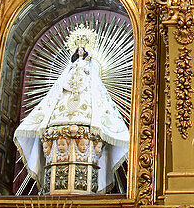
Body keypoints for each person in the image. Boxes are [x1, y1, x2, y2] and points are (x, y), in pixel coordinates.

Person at [13, 27, 129, 193]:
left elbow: (92, 75)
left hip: (86, 97)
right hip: (66, 97)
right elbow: (63, 81)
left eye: (83, 49)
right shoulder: (72, 65)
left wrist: (85, 70)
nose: (81, 51)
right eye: (79, 49)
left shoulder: (90, 65)